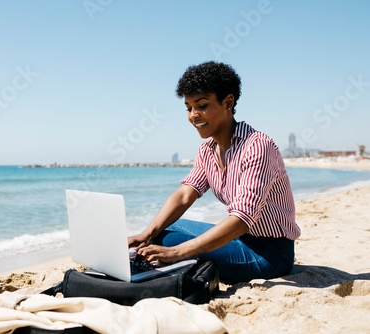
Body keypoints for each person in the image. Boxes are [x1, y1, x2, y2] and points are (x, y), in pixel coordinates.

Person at [128, 61, 301, 284]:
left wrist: (178, 253)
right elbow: (185, 194)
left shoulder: (257, 146)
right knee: (161, 232)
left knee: (169, 245)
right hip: (240, 240)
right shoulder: (208, 149)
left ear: (228, 102)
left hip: (270, 254)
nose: (193, 115)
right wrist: (147, 233)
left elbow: (242, 219)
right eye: (189, 108)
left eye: (202, 105)